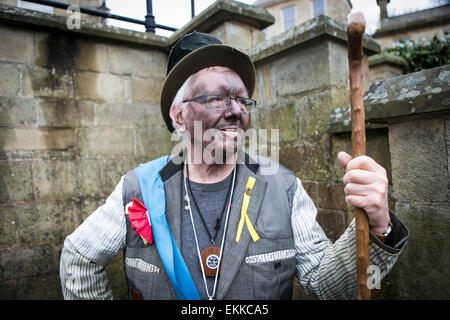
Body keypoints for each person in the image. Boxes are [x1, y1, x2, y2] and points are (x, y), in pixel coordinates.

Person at [60, 32, 409, 300]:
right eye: (216, 98)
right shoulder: (137, 187)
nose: (235, 111)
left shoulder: (283, 188)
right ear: (179, 116)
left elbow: (326, 287)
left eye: (242, 100)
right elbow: (79, 258)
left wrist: (378, 225)